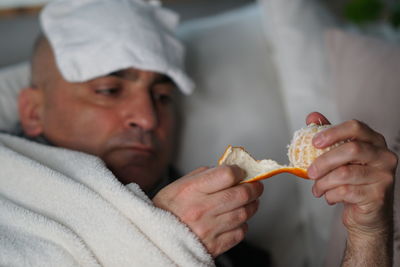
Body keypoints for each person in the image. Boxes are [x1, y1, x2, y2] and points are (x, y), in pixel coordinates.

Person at [0, 0, 396, 266]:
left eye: (162, 96)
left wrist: (367, 232)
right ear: (33, 111)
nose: (148, 118)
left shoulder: (231, 241)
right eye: (109, 91)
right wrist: (161, 238)